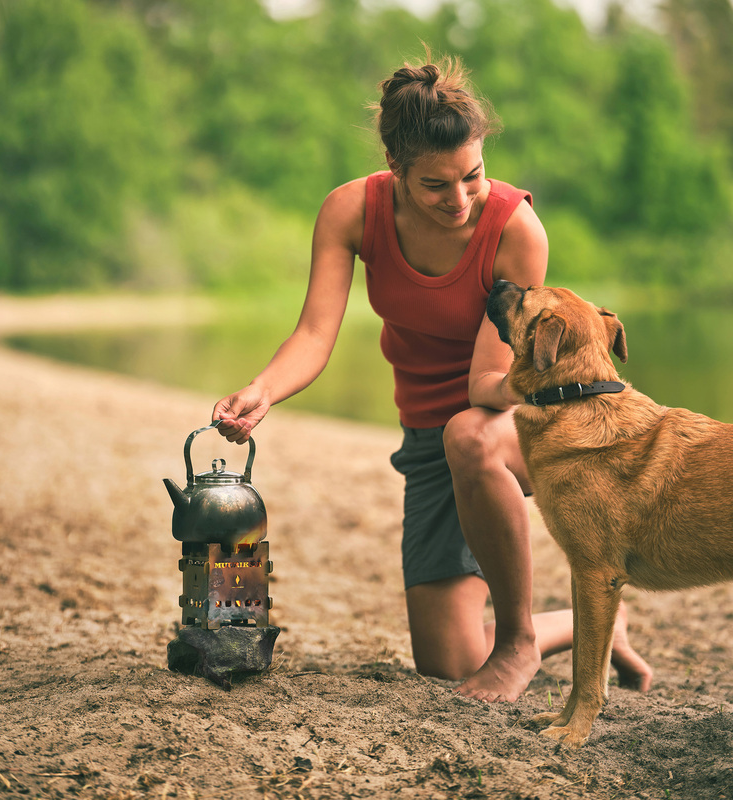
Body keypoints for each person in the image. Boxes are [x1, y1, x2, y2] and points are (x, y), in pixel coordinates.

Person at [212, 51, 652, 702]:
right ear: (396, 169)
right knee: (446, 661)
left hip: (512, 422)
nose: (460, 199)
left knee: (470, 435)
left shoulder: (516, 230)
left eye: (472, 176)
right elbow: (313, 334)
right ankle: (591, 631)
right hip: (428, 436)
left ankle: (518, 644)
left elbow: (488, 381)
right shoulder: (351, 213)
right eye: (435, 185)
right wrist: (262, 390)